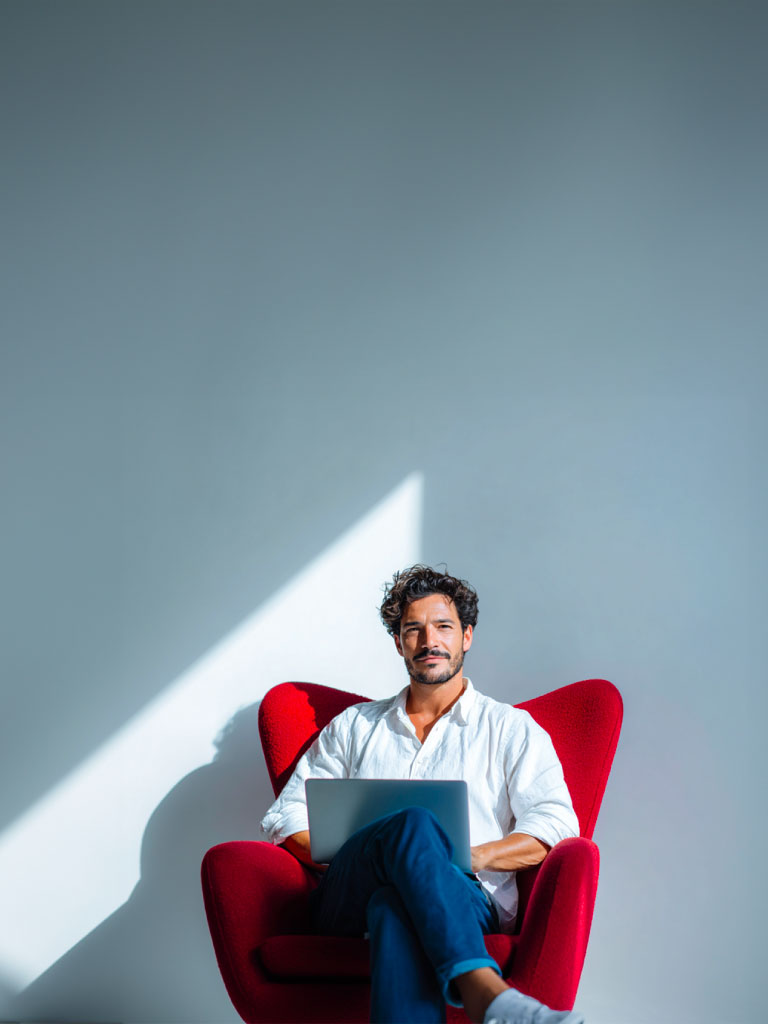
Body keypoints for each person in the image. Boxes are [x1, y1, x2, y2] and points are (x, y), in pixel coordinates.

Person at [260, 565, 585, 1024]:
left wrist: (465, 857)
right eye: (413, 629)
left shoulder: (511, 729)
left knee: (394, 907)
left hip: (465, 897)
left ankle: (485, 992)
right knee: (411, 825)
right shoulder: (355, 727)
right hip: (349, 894)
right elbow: (286, 815)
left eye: (444, 627)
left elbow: (553, 825)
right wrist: (369, 854)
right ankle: (487, 995)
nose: (429, 640)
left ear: (466, 637)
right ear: (399, 643)